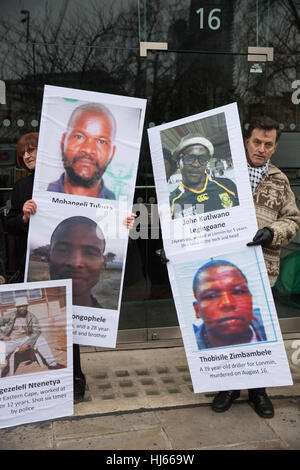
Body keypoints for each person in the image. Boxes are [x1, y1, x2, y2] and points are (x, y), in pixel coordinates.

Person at [212, 116, 300, 419]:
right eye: (256, 142)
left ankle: (259, 392)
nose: (261, 149)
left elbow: (293, 220)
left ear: (275, 147)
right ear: (246, 141)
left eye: (268, 144)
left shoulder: (279, 180)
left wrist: (272, 233)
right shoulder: (222, 172)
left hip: (263, 268)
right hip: (225, 267)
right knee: (227, 328)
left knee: (259, 332)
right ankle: (229, 387)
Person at [192, 260, 266, 350]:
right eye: (211, 296)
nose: (228, 303)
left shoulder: (268, 323)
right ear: (197, 310)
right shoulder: (191, 349)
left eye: (238, 291)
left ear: (251, 298)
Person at [47, 103, 116, 199]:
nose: (88, 150)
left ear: (112, 153)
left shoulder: (118, 207)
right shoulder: (41, 197)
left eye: (101, 141)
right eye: (79, 137)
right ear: (63, 142)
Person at [169, 134, 239, 218]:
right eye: (189, 158)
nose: (196, 164)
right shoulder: (172, 202)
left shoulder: (228, 185)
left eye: (202, 159)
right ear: (179, 163)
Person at [48, 216, 106, 309]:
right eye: (62, 250)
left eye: (90, 253)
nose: (75, 263)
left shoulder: (108, 321)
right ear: (48, 257)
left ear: (103, 263)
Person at [0, 296, 64, 376]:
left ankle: (52, 364)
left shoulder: (31, 317)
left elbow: (37, 331)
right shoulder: (10, 316)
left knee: (41, 339)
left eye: (23, 306)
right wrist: (3, 336)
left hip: (26, 338)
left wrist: (28, 343)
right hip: (12, 340)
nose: (22, 308)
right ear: (16, 307)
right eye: (19, 306)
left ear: (27, 306)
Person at [6, 132, 38, 278]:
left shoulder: (64, 182)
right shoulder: (21, 185)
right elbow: (10, 225)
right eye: (22, 153)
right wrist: (24, 217)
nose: (26, 156)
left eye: (30, 150)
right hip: (29, 261)